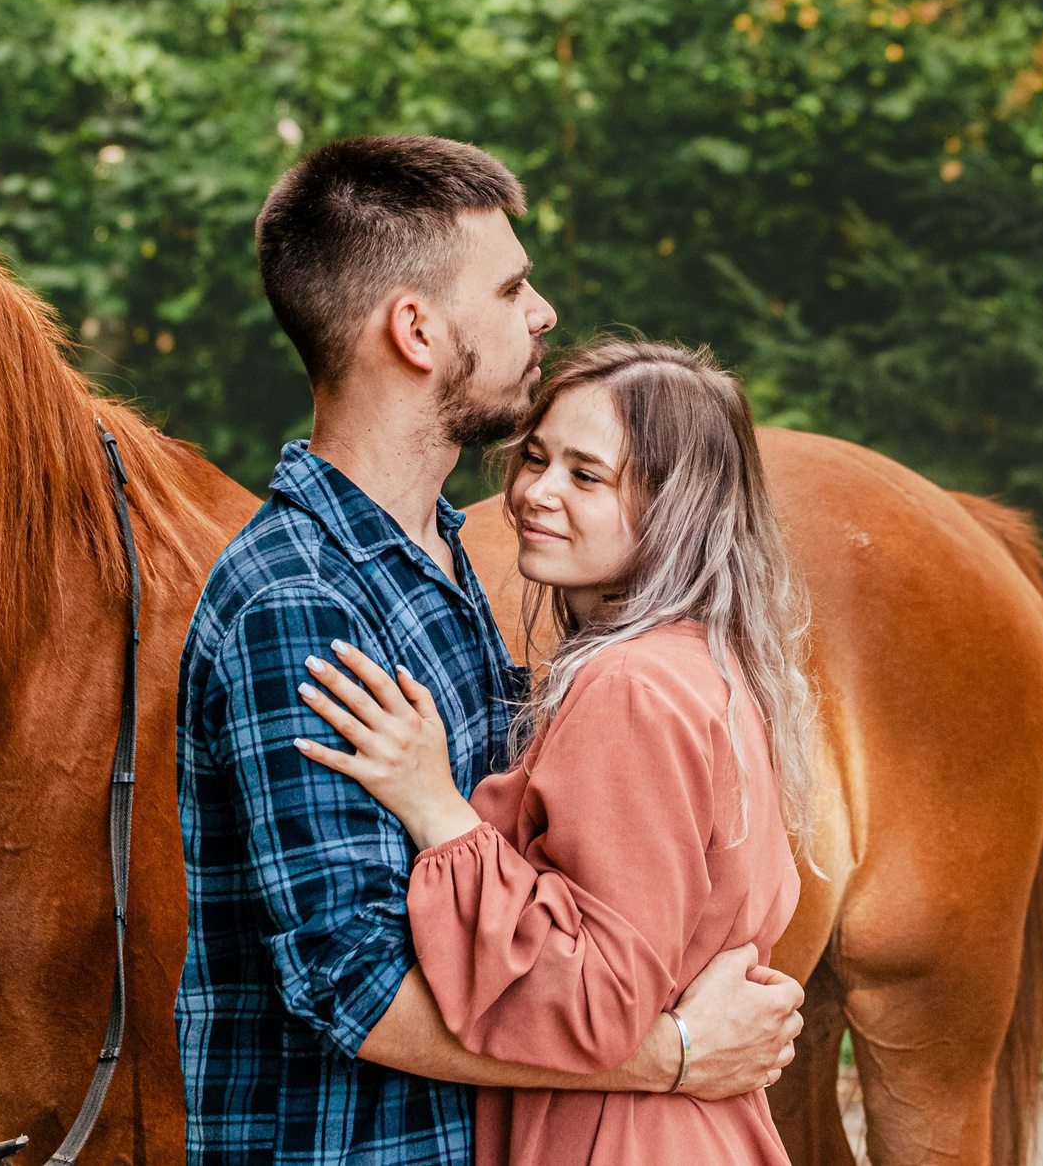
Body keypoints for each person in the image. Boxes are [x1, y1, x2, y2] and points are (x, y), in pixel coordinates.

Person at [176, 137, 805, 1166]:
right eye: (510, 286)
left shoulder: (445, 557)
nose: (542, 311)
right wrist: (674, 1056)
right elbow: (354, 987)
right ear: (416, 330)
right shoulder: (300, 601)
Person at [297, 339, 813, 1166]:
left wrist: (437, 808)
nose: (534, 493)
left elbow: (599, 995)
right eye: (535, 458)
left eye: (586, 474)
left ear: (675, 505)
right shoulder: (701, 666)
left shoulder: (632, 687)